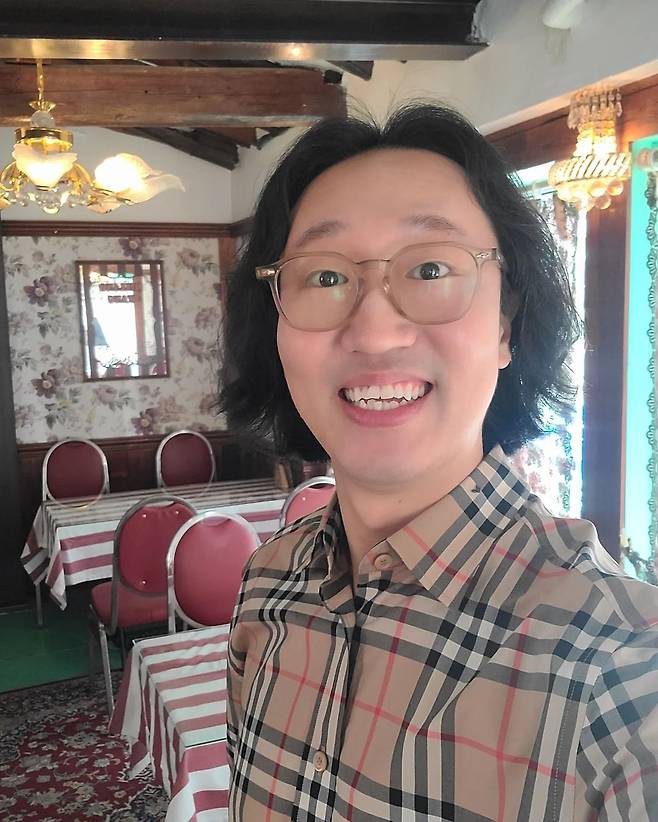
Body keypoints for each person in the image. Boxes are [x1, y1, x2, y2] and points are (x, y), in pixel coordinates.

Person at [218, 103, 658, 821]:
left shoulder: (624, 668)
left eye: (430, 268)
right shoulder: (267, 583)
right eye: (324, 277)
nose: (375, 332)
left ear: (507, 325)